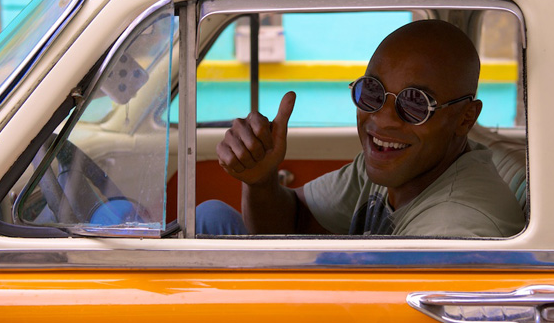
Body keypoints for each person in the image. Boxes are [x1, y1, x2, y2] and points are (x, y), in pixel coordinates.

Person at [197, 19, 525, 238]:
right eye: (372, 92)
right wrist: (260, 182)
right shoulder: (395, 166)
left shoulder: (454, 228)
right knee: (211, 216)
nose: (383, 118)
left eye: (416, 103)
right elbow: (293, 222)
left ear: (465, 118)